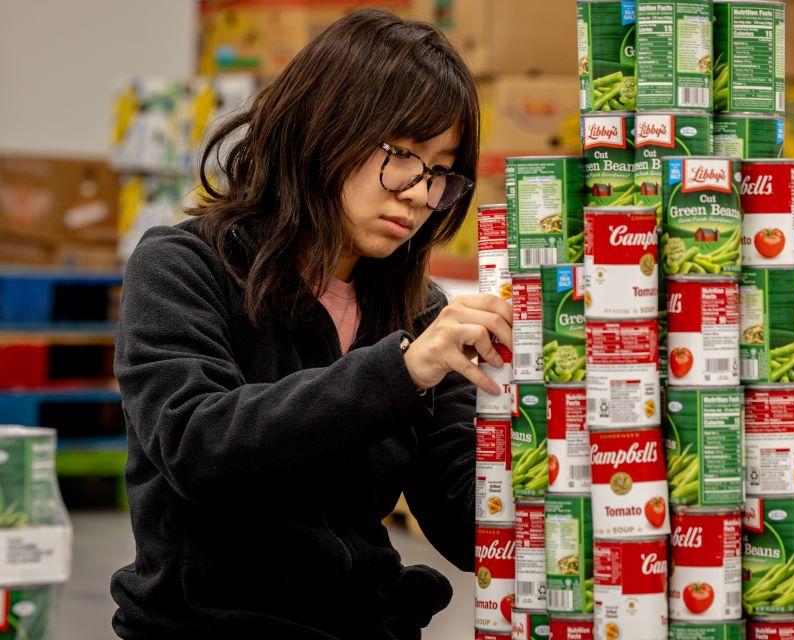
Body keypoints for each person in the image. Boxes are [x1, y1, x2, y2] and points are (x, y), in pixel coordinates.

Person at [110, 9, 511, 639]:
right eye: (403, 154)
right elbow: (198, 445)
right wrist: (399, 372)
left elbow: (469, 528)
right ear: (323, 129)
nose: (418, 191)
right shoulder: (181, 268)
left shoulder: (419, 311)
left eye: (440, 171)